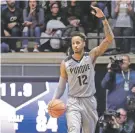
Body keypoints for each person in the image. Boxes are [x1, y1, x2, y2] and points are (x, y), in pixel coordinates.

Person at [49, 6, 114, 133]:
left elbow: (109, 39)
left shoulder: (91, 56)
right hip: (73, 101)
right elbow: (61, 86)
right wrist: (53, 100)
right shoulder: (65, 63)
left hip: (89, 100)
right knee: (73, 130)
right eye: (73, 43)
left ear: (84, 43)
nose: (75, 45)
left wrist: (103, 19)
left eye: (78, 42)